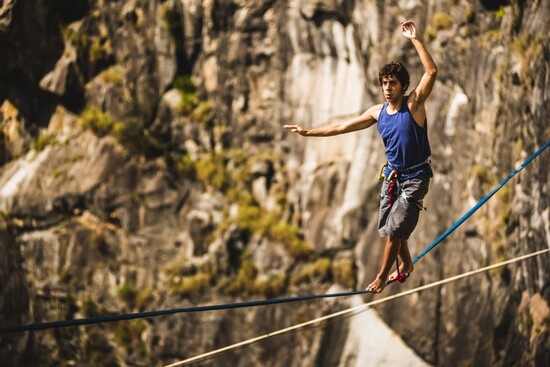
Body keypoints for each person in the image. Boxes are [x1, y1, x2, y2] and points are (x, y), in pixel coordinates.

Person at [283, 20, 437, 293]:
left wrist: (414, 39)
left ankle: (381, 275)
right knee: (391, 226)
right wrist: (309, 132)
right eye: (385, 83)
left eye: (393, 83)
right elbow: (343, 127)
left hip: (415, 178)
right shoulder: (377, 112)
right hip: (393, 176)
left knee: (394, 231)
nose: (388, 88)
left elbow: (431, 71)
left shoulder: (413, 105)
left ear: (403, 86)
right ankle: (408, 264)